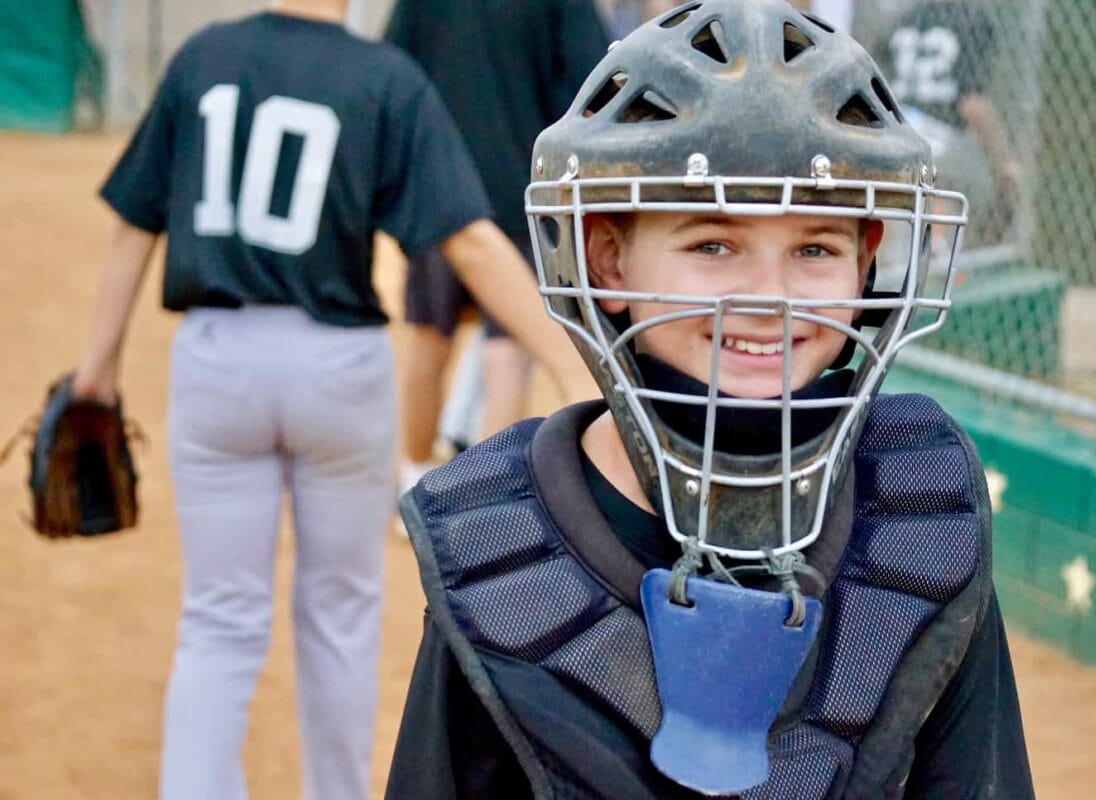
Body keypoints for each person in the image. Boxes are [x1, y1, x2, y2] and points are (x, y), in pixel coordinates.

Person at [385, 1, 1034, 798]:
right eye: (713, 243)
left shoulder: (923, 523)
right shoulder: (497, 549)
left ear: (868, 263)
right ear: (608, 259)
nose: (769, 297)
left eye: (815, 248)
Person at [69, 1, 591, 798]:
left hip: (218, 356)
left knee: (218, 620)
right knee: (339, 618)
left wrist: (95, 372)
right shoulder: (383, 78)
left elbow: (134, 225)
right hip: (334, 365)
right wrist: (571, 364)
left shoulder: (205, 57)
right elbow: (472, 242)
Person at [383, 0, 610, 490]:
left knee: (430, 340)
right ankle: (486, 492)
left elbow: (397, 69)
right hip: (524, 190)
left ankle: (413, 480)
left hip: (438, 192)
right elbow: (593, 86)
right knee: (507, 351)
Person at [880, 0, 1021, 246]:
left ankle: (923, 246)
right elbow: (972, 105)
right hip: (939, 138)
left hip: (893, 131)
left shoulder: (907, 18)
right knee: (996, 183)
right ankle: (956, 258)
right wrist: (1005, 163)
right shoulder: (972, 21)